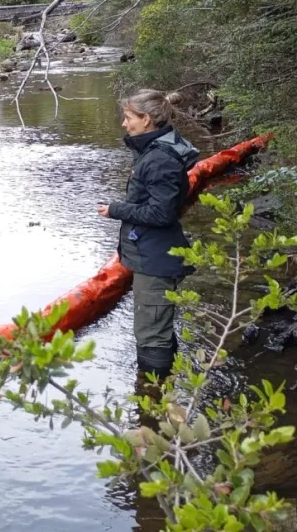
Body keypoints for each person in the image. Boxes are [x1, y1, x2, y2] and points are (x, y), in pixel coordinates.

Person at [97, 89, 198, 379]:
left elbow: (161, 213)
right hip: (154, 256)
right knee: (157, 330)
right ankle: (166, 394)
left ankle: (153, 404)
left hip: (157, 261)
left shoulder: (159, 159)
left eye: (128, 118)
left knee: (152, 337)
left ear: (147, 119)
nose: (124, 124)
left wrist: (116, 209)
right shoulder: (152, 153)